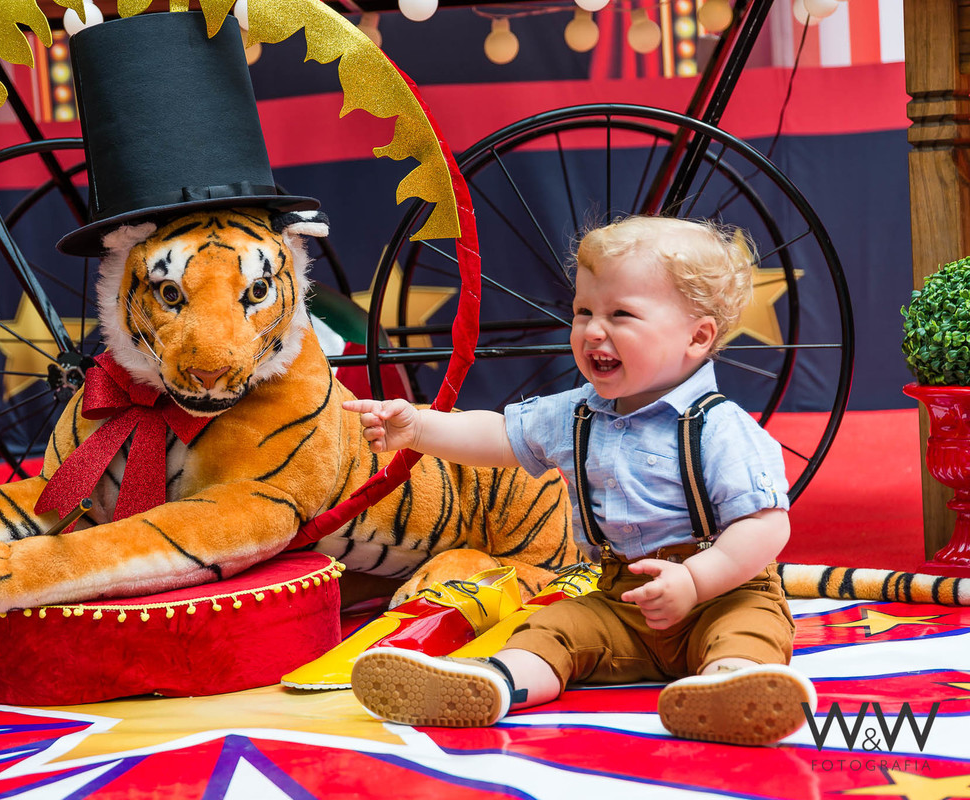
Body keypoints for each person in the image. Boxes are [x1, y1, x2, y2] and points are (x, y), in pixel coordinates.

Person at [343, 215, 815, 747]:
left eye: (621, 314)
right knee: (555, 627)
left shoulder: (719, 425)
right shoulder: (576, 413)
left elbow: (765, 525)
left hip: (724, 591)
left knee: (748, 632)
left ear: (697, 336)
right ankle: (494, 685)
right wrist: (422, 426)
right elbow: (499, 436)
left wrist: (697, 581)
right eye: (584, 311)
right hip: (621, 598)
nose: (593, 330)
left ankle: (730, 688)